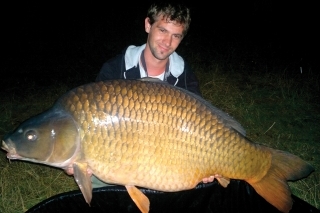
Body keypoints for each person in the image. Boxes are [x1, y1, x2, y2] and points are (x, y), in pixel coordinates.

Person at [95, 2, 202, 97]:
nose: (167, 42)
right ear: (148, 25)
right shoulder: (114, 70)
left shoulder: (186, 78)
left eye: (176, 36)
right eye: (162, 30)